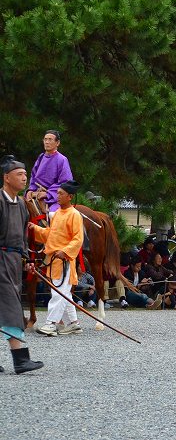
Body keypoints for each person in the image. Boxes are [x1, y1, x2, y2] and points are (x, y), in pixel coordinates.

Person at [0, 156, 45, 373]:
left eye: (25, 174)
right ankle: (20, 359)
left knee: (9, 304)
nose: (24, 178)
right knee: (11, 306)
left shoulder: (21, 205)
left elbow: (23, 239)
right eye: (19, 174)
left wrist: (27, 260)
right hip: (1, 260)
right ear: (6, 177)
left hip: (13, 261)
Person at [30, 180, 84, 336]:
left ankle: (51, 324)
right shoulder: (57, 214)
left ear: (70, 196)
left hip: (64, 259)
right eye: (57, 193)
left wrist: (65, 251)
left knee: (58, 292)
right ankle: (73, 323)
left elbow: (78, 239)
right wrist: (35, 229)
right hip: (54, 258)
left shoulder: (74, 215)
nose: (57, 196)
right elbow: (50, 234)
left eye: (61, 193)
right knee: (63, 293)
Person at [25, 130, 74, 213]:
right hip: (36, 194)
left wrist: (48, 194)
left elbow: (66, 182)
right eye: (45, 139)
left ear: (57, 143)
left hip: (54, 198)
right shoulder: (41, 157)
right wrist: (30, 190)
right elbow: (33, 176)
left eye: (50, 139)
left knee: (53, 214)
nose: (47, 142)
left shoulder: (62, 159)